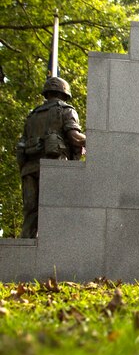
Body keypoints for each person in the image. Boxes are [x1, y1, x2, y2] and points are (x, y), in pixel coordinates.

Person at [16, 76, 85, 238]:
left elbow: (21, 146)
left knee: (30, 212)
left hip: (29, 169)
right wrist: (97, 141)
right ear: (64, 93)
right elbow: (75, 137)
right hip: (55, 166)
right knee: (58, 210)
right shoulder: (66, 110)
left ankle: (26, 250)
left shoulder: (32, 116)